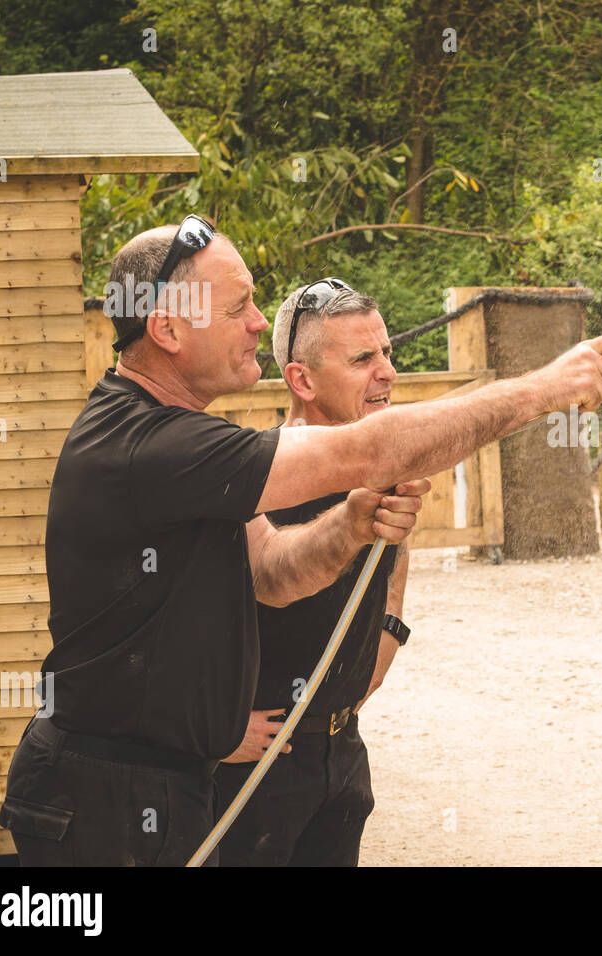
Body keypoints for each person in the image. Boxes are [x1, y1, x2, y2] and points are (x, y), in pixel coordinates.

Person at [0, 217, 602, 865]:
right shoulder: (149, 444)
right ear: (167, 329)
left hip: (156, 785)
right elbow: (369, 448)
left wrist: (352, 523)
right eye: (238, 305)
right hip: (103, 795)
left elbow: (272, 569)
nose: (256, 322)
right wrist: (541, 390)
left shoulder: (179, 434)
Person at [214, 279, 413, 866]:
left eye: (386, 353)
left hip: (342, 756)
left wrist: (390, 632)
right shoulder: (247, 476)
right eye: (362, 359)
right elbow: (169, 619)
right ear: (301, 380)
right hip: (253, 764)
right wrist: (214, 732)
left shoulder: (386, 461)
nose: (387, 372)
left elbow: (398, 550)